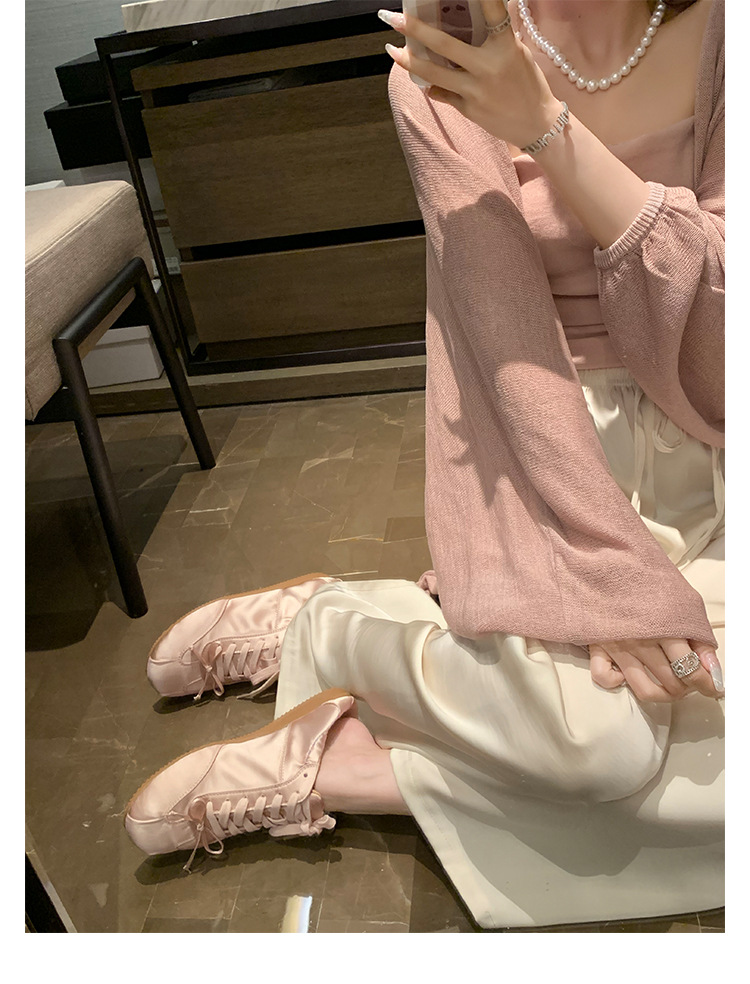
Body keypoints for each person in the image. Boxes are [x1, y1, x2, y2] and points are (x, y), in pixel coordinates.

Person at [124, 1, 724, 929]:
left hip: (715, 440)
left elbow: (725, 347)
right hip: (542, 446)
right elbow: (502, 342)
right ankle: (338, 629)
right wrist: (611, 564)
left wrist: (548, 131)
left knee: (671, 757)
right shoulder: (450, 43)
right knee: (600, 745)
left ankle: (356, 757)